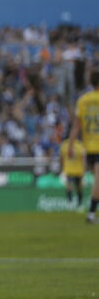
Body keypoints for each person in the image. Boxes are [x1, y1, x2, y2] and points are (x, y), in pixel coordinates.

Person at [68, 69, 99, 223]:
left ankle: (92, 213)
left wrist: (70, 145)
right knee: (98, 181)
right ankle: (91, 214)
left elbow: (76, 126)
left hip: (89, 147)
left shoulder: (82, 100)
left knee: (97, 180)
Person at [60, 129, 86, 210]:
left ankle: (76, 204)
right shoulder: (77, 144)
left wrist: (83, 170)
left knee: (76, 187)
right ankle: (74, 204)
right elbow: (62, 157)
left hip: (75, 170)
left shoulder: (67, 144)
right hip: (72, 170)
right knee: (72, 187)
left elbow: (61, 158)